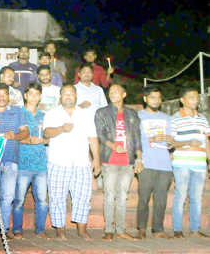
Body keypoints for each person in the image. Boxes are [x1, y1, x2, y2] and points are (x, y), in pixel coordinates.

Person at [43, 84, 101, 241]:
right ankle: (60, 232)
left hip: (81, 162)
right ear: (60, 97)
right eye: (65, 93)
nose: (68, 96)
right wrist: (61, 128)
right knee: (57, 198)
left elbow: (93, 138)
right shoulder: (52, 114)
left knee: (83, 197)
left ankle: (82, 231)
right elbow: (46, 132)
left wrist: (96, 159)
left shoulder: (85, 115)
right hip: (58, 162)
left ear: (76, 96)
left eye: (71, 93)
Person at [94, 84, 143, 241]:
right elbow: (100, 135)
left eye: (116, 91)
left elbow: (136, 137)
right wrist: (114, 147)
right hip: (110, 159)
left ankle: (121, 230)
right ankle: (109, 229)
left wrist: (139, 159)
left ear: (124, 94)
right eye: (111, 92)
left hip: (128, 161)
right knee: (109, 195)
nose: (113, 93)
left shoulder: (132, 114)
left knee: (123, 195)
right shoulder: (102, 112)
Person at [0, 82, 29, 239]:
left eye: (5, 94)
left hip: (11, 159)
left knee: (7, 197)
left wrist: (15, 136)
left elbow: (26, 132)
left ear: (9, 97)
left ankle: (2, 231)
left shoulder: (17, 111)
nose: (2, 97)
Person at [168, 87, 210, 239]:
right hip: (182, 164)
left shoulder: (203, 119)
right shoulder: (174, 119)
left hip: (199, 164)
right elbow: (170, 143)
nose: (196, 100)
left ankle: (195, 229)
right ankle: (178, 230)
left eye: (197, 97)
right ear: (182, 100)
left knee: (196, 198)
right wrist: (188, 142)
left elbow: (207, 141)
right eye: (191, 97)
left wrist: (209, 160)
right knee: (180, 196)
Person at [12, 82, 51, 240]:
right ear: (25, 96)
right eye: (31, 94)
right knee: (19, 199)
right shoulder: (18, 114)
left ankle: (40, 229)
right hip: (22, 163)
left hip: (41, 163)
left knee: (42, 200)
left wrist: (42, 140)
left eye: (37, 94)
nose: (34, 97)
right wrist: (28, 141)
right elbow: (13, 137)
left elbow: (49, 139)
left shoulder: (44, 116)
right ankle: (17, 229)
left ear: (40, 96)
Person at [135, 86, 174, 240]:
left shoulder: (165, 117)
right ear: (145, 99)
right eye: (152, 97)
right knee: (144, 197)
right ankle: (142, 229)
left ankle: (158, 229)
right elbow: (134, 139)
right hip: (147, 162)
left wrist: (170, 141)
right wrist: (151, 139)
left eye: (158, 98)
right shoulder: (138, 116)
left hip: (164, 163)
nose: (156, 101)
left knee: (161, 198)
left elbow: (170, 141)